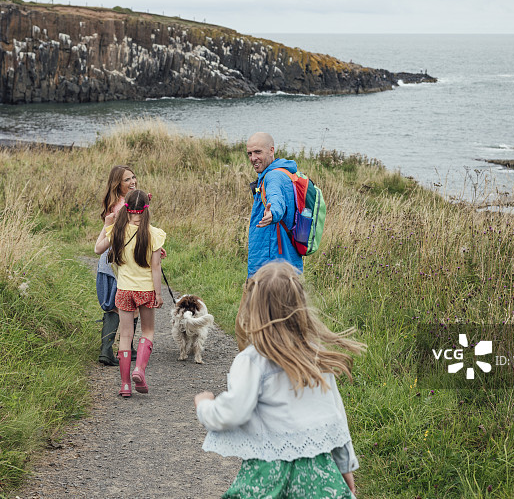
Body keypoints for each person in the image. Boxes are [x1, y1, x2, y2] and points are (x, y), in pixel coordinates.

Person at [194, 262, 365, 498]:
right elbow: (335, 416)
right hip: (316, 470)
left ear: (253, 309)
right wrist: (345, 467)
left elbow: (234, 410)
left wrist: (205, 406)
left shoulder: (252, 361)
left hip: (268, 469)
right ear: (300, 306)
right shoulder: (316, 356)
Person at [95, 189, 165, 398]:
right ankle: (139, 370)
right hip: (145, 291)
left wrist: (107, 224)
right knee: (148, 331)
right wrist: (158, 295)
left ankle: (125, 385)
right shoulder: (154, 234)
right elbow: (155, 268)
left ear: (126, 209)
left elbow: (98, 249)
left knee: (125, 336)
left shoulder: (117, 230)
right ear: (147, 209)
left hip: (124, 290)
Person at [246, 132, 303, 279]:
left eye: (258, 152)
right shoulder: (284, 172)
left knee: (261, 302)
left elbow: (276, 199)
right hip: (287, 260)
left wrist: (272, 214)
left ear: (271, 150)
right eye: (250, 153)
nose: (253, 158)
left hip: (271, 265)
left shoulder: (273, 177)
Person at [96, 165, 138, 366]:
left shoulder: (113, 204)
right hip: (119, 261)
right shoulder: (124, 208)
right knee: (132, 304)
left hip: (106, 258)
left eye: (133, 178)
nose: (132, 182)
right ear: (117, 184)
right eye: (127, 180)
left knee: (113, 305)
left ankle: (108, 350)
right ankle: (127, 347)